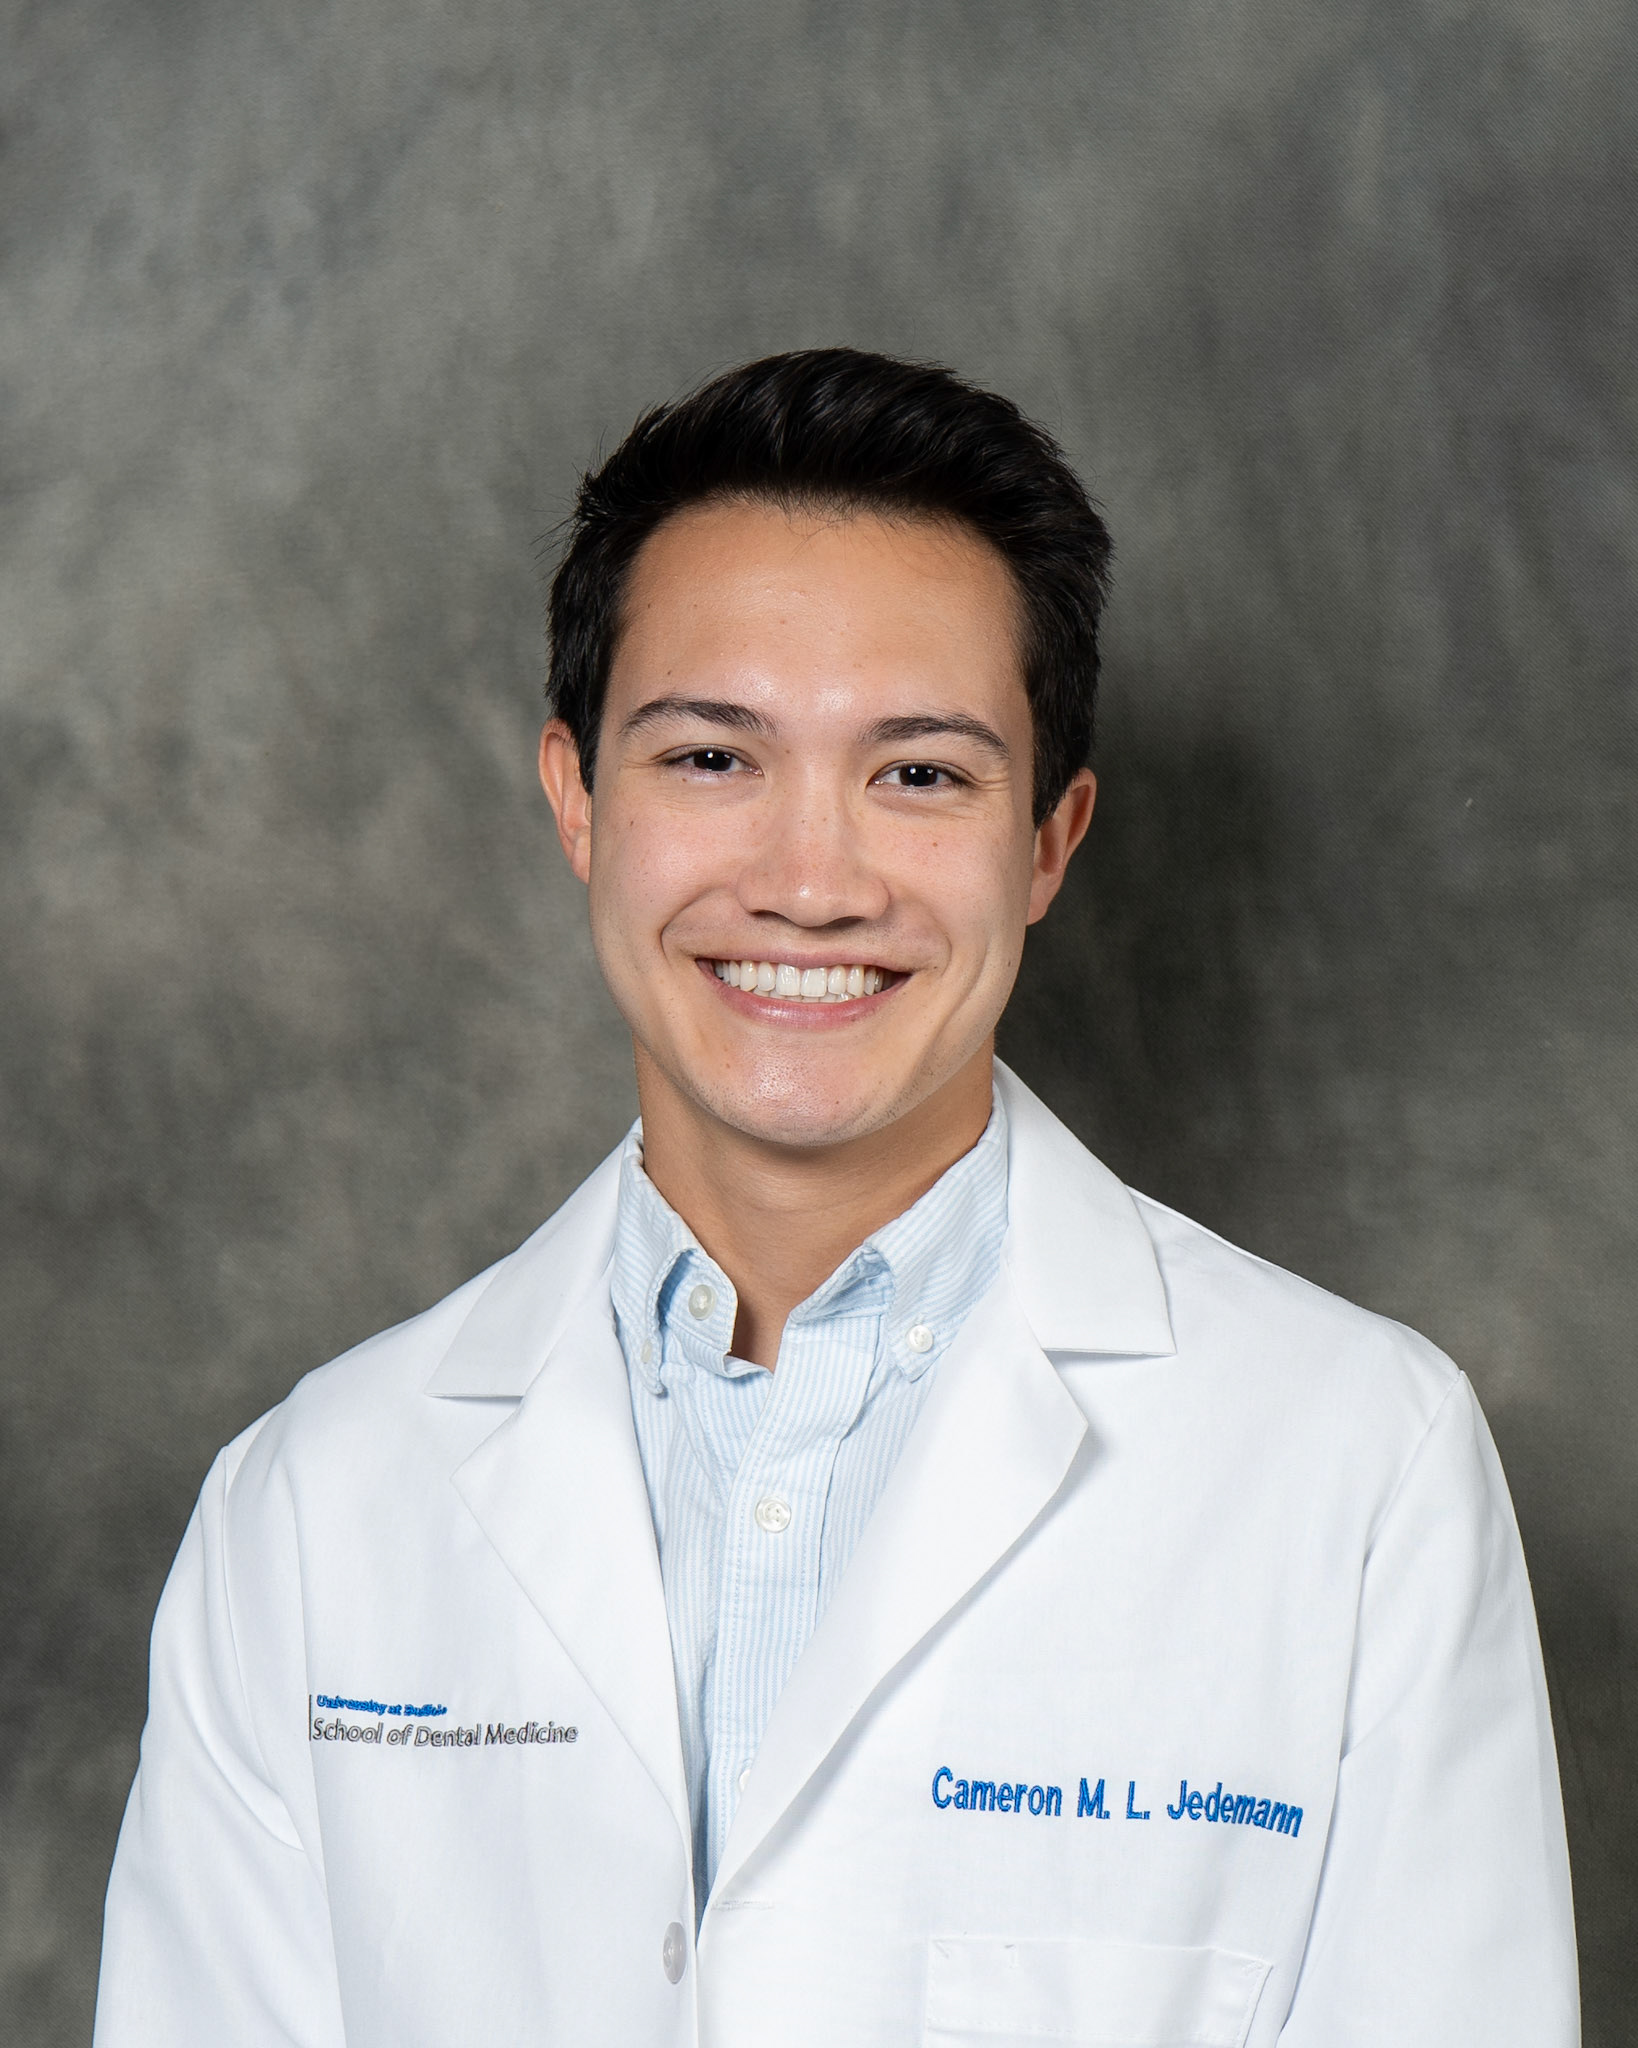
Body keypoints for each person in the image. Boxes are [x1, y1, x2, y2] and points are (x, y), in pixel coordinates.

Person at [94, 349, 1578, 2046]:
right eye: (710, 758)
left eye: (919, 774)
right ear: (577, 798)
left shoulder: (1357, 1466)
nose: (809, 884)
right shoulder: (314, 1505)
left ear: (1048, 840)